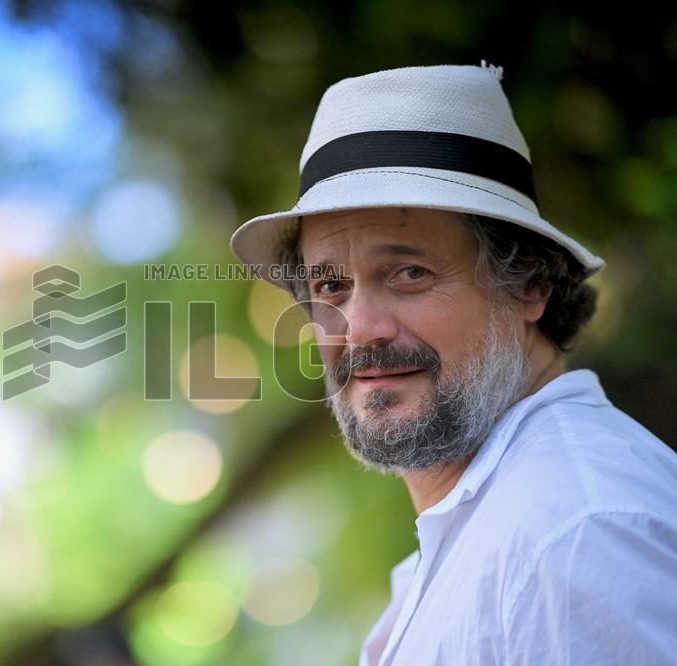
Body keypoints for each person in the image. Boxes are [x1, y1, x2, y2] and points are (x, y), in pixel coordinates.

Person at [228, 63, 677, 665]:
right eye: (330, 285)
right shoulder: (498, 526)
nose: (359, 329)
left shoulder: (578, 532)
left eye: (409, 273)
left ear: (529, 283)